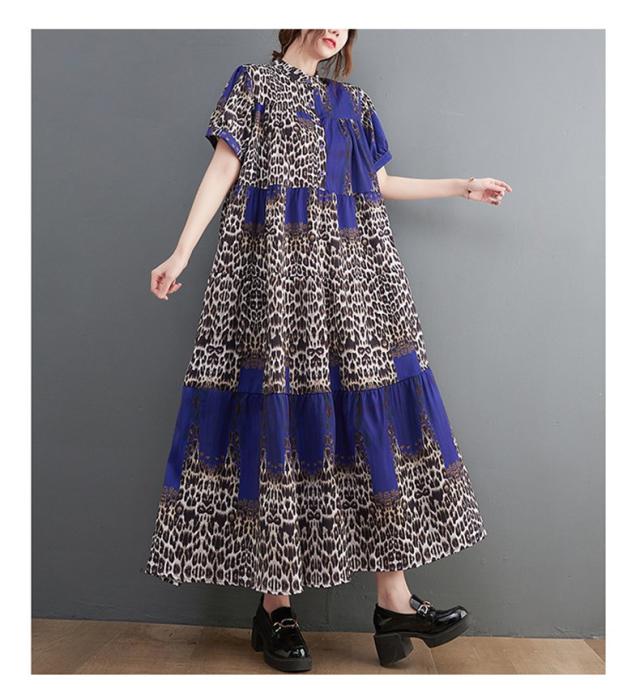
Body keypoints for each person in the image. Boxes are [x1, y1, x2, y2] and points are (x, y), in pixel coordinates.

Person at [145, 29, 511, 673]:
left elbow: (380, 183)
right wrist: (181, 251)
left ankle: (394, 601)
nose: (334, 23)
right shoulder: (253, 84)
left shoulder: (354, 103)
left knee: (367, 422)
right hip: (273, 275)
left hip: (351, 278)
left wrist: (462, 185)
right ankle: (275, 607)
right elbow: (224, 168)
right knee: (278, 421)